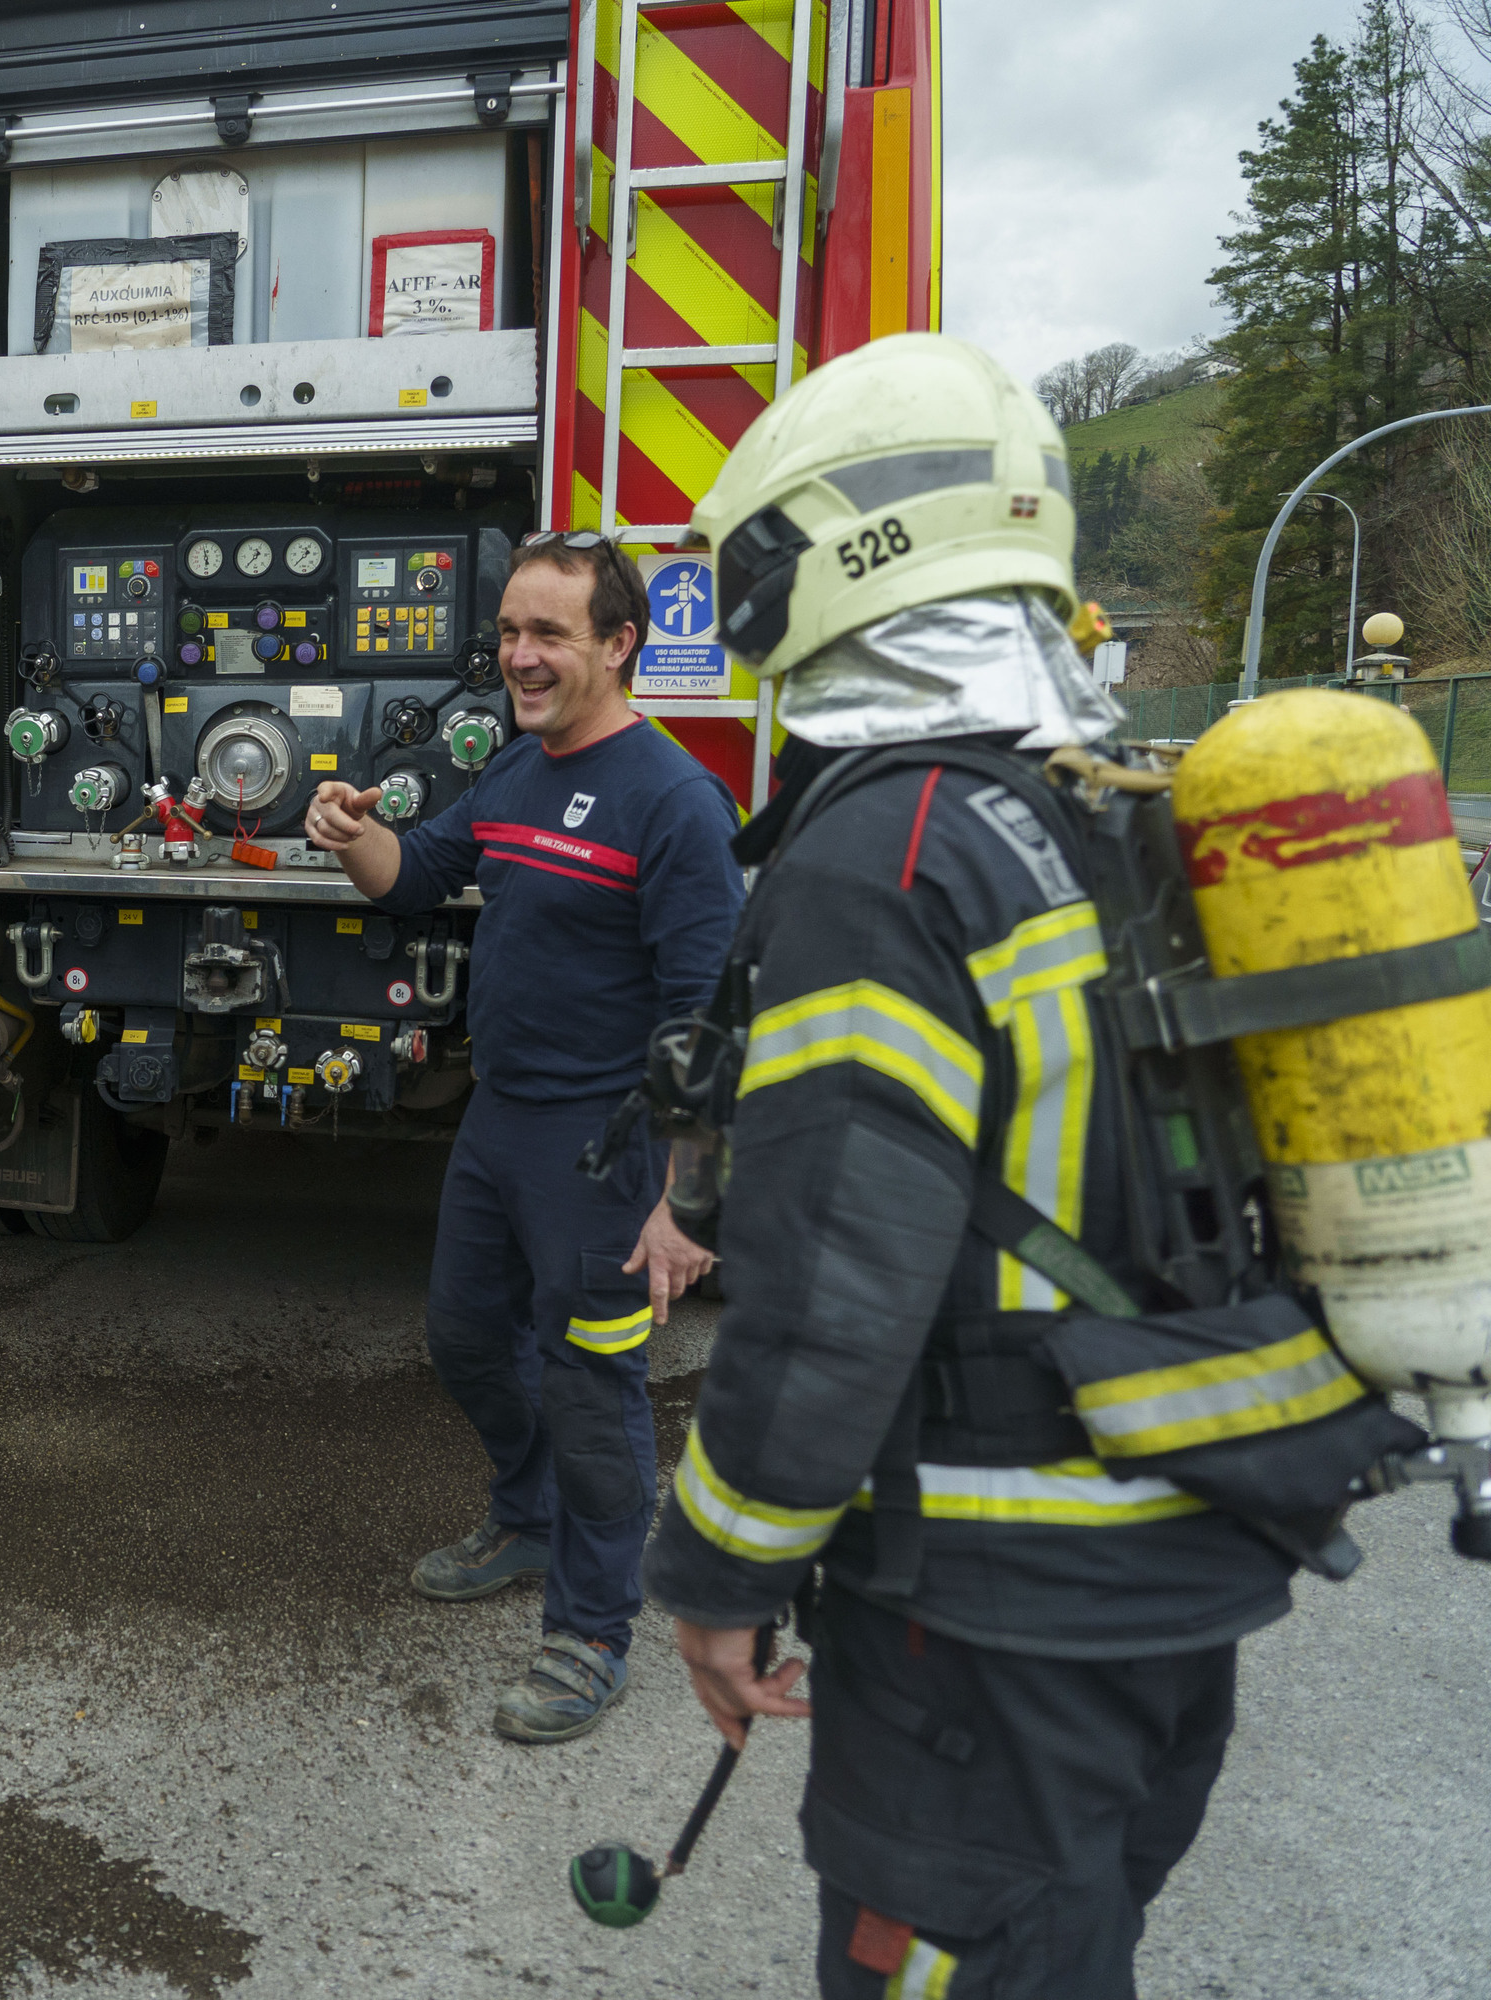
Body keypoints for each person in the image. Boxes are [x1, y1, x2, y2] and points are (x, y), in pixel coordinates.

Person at [642, 333, 1304, 1995]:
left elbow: (831, 1287)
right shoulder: (1114, 809)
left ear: (821, 562)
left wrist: (723, 1569)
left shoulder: (889, 854)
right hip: (1172, 1563)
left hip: (995, 1610)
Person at [304, 535, 744, 1743]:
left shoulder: (676, 801)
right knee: (462, 1338)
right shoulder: (517, 770)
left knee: (592, 1387)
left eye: (549, 633)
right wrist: (349, 833)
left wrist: (685, 1198)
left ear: (619, 645)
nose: (520, 655)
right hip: (501, 1122)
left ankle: (593, 1629)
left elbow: (711, 1017)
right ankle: (527, 1511)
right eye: (509, 630)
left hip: (604, 1151)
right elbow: (413, 875)